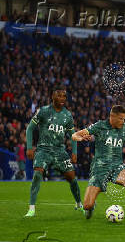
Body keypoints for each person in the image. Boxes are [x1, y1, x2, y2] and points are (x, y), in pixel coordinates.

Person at [24, 85, 82, 217]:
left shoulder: (67, 115)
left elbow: (73, 136)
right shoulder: (43, 111)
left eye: (64, 96)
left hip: (60, 152)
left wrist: (74, 152)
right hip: (43, 150)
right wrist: (29, 147)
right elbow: (29, 129)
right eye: (59, 95)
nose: (62, 98)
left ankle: (79, 204)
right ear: (52, 96)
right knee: (38, 174)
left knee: (71, 178)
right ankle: (31, 208)